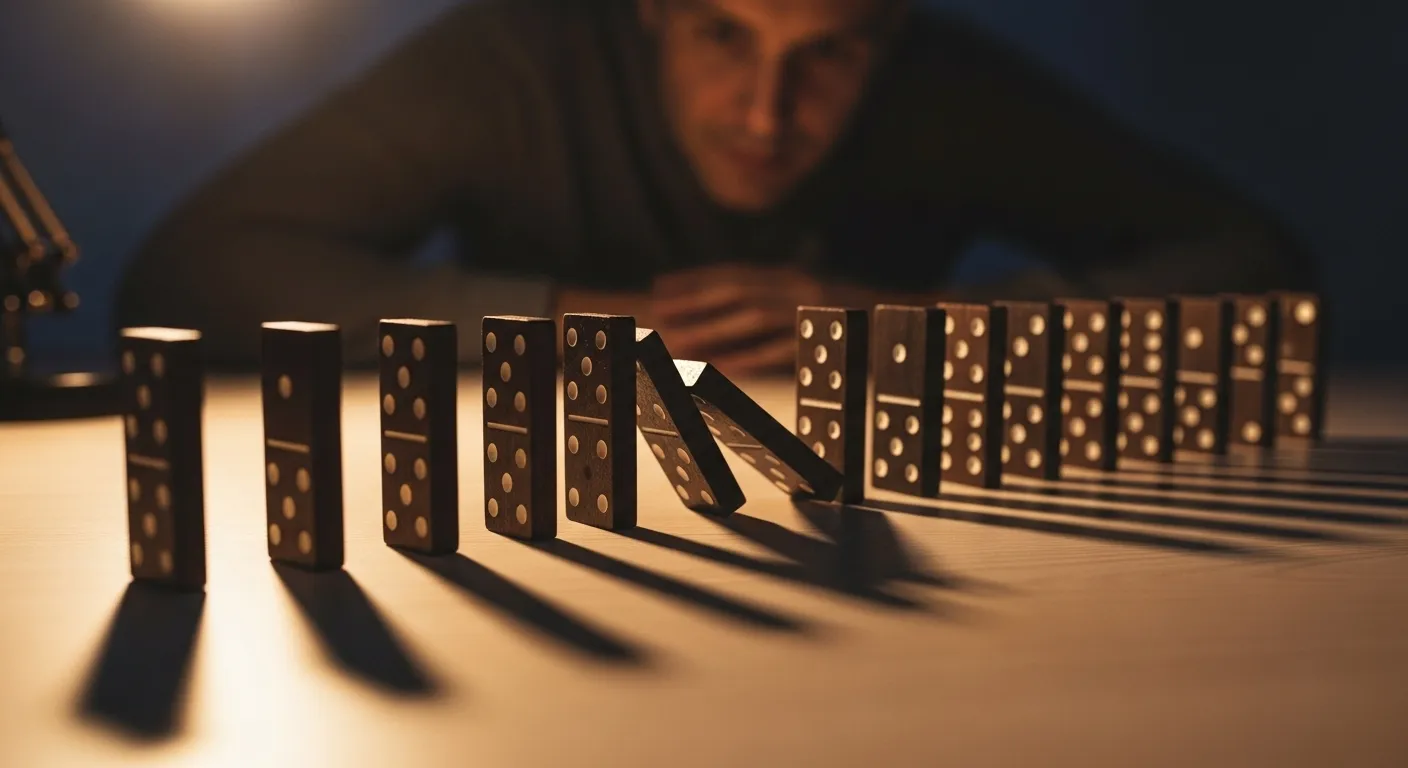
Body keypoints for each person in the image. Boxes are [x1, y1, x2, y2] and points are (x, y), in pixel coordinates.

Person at [113, 0, 1315, 374]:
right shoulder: (507, 63)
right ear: (648, 10)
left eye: (826, 54)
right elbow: (188, 275)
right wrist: (576, 329)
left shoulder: (948, 88)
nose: (762, 114)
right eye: (724, 34)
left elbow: (1254, 261)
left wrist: (923, 333)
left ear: (888, 38)